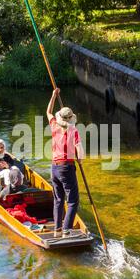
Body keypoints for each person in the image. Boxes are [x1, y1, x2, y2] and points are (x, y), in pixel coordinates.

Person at [47, 88, 84, 238]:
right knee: (73, 200)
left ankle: (57, 230)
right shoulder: (73, 130)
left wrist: (53, 96)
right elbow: (80, 150)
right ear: (70, 119)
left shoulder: (54, 126)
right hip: (66, 167)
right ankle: (66, 230)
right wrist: (80, 160)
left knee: (58, 199)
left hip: (54, 167)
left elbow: (48, 111)